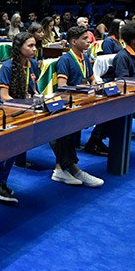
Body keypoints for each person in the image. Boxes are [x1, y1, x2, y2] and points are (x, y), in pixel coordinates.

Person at [0, 32, 40, 204]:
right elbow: (4, 96)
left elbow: (34, 91)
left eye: (35, 45)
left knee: (14, 150)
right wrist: (24, 103)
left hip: (26, 112)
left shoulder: (32, 65)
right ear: (19, 48)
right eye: (30, 46)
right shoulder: (8, 66)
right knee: (6, 150)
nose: (34, 49)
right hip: (9, 114)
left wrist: (37, 97)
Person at [53, 26, 106, 186]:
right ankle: (68, 169)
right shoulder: (65, 60)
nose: (89, 41)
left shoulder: (84, 58)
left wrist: (96, 85)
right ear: (74, 41)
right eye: (84, 38)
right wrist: (83, 89)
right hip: (69, 105)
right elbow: (62, 87)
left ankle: (64, 169)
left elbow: (91, 80)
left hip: (84, 102)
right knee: (65, 135)